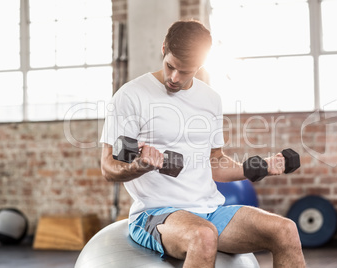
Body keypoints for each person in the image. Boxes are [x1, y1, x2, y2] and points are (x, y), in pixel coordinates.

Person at [100, 20, 306, 268]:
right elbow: (108, 166)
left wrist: (262, 166)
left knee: (286, 230)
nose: (174, 78)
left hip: (210, 210)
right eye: (170, 66)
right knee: (203, 236)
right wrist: (139, 167)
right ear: (164, 47)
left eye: (185, 71)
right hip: (155, 213)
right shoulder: (131, 95)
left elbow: (215, 163)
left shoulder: (210, 99)